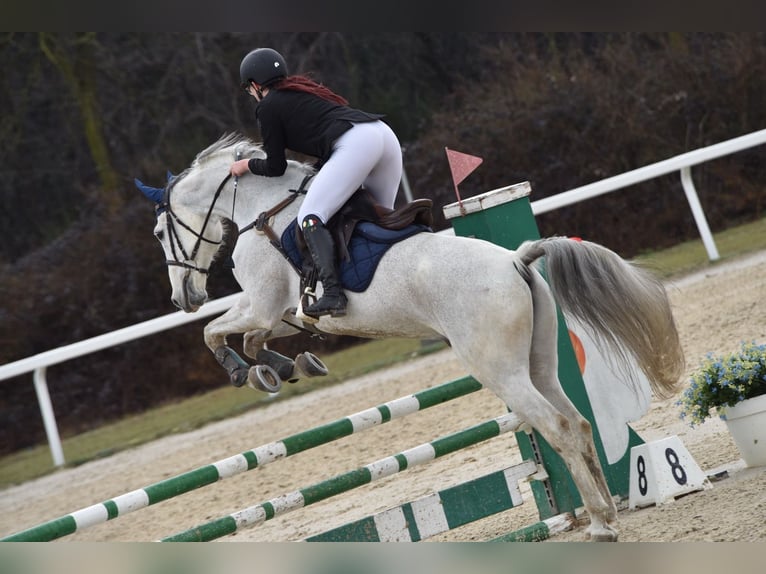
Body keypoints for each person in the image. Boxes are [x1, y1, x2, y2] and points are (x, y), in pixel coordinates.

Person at [231, 47, 403, 319]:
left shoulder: (268, 106)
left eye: (248, 89)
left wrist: (246, 165)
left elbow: (276, 167)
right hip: (383, 135)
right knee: (382, 221)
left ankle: (333, 295)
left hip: (357, 143)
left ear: (254, 85)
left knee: (310, 218)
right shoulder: (303, 91)